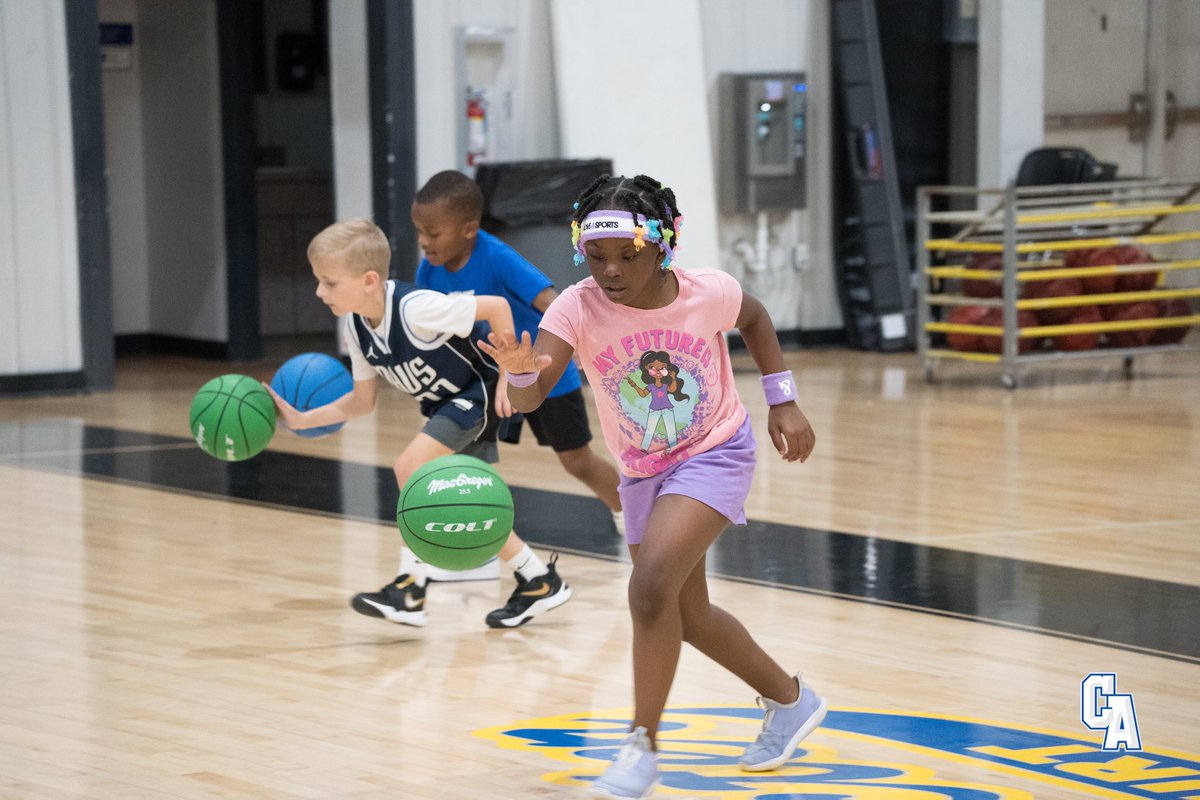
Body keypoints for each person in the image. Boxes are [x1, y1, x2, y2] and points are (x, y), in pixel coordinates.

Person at [479, 175, 825, 798]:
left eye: (627, 256)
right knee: (684, 616)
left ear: (664, 245)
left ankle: (642, 746)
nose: (610, 270)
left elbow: (756, 317)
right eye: (597, 255)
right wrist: (521, 373)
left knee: (649, 589)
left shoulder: (709, 292)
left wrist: (784, 401)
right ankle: (790, 700)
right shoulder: (575, 307)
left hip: (716, 449)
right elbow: (530, 394)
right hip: (643, 469)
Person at [264, 218, 572, 630]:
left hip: (474, 394)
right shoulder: (356, 325)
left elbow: (496, 307)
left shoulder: (416, 309)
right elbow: (361, 402)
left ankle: (410, 588)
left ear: (369, 279)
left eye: (329, 282)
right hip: (445, 404)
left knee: (409, 467)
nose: (319, 292)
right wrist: (303, 419)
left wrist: (509, 377)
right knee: (470, 508)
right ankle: (538, 579)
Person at [411, 169, 625, 553]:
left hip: (542, 373)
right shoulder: (429, 269)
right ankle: (474, 535)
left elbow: (553, 301)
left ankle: (628, 511)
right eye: (421, 232)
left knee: (576, 460)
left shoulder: (497, 257)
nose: (424, 243)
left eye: (433, 233)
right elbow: (424, 323)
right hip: (485, 380)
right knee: (470, 455)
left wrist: (576, 343)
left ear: (469, 229)